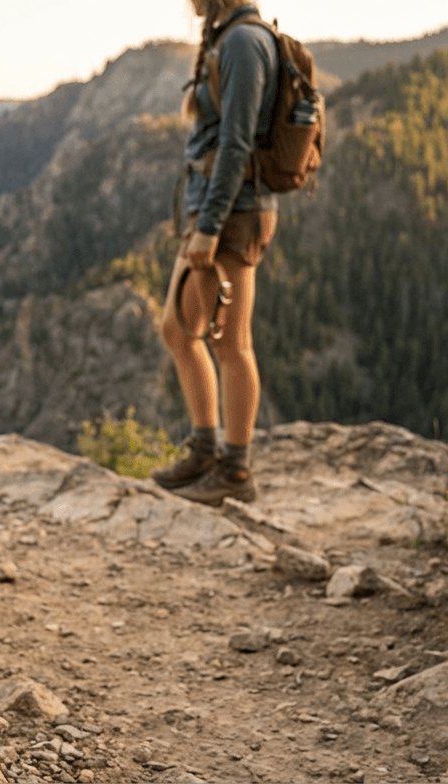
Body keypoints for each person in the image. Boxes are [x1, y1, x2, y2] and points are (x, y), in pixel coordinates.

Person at [151, 0, 279, 505]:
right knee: (178, 329)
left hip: (232, 212)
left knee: (231, 342)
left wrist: (209, 227)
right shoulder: (227, 35)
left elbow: (237, 142)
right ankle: (205, 450)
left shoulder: (245, 41)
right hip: (213, 206)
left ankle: (236, 469)